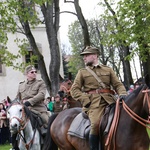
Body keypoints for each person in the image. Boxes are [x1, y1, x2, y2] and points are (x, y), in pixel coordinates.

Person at [70, 46, 127, 150]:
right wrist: (85, 99)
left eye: (87, 55)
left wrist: (123, 93)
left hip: (111, 101)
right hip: (94, 104)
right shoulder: (82, 72)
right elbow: (74, 90)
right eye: (84, 56)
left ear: (95, 56)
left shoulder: (108, 69)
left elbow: (118, 85)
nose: (84, 58)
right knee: (95, 123)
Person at [12, 65, 49, 150]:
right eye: (32, 72)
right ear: (26, 74)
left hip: (38, 109)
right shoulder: (21, 85)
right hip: (24, 110)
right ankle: (14, 146)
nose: (34, 74)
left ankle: (48, 144)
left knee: (47, 121)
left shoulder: (40, 83)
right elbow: (18, 97)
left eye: (35, 72)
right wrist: (14, 104)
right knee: (14, 125)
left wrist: (29, 102)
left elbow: (41, 95)